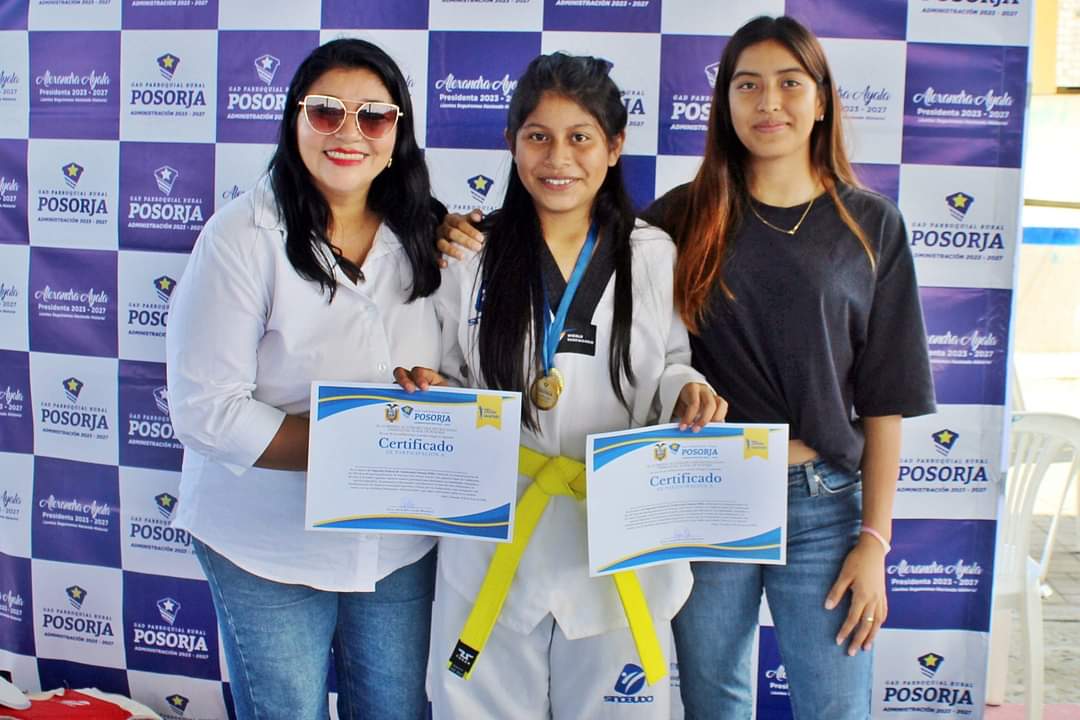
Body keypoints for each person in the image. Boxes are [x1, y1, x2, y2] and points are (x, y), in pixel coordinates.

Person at [437, 16, 936, 720]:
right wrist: (454, 230)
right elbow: (650, 334)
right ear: (724, 102)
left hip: (820, 497)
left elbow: (887, 395)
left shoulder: (869, 223)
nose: (768, 103)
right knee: (713, 699)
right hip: (702, 491)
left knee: (833, 703)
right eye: (747, 85)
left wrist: (876, 540)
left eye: (790, 84)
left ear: (822, 99)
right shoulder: (680, 220)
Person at [396, 53, 725, 719]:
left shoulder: (651, 253)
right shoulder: (469, 252)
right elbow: (450, 370)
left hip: (612, 526)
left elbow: (669, 361)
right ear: (511, 142)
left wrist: (688, 389)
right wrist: (432, 387)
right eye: (538, 136)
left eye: (580, 137)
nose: (558, 157)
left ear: (614, 147)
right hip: (496, 521)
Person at [166, 39, 442, 720]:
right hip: (266, 543)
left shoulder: (428, 233)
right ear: (294, 121)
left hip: (396, 542)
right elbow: (207, 412)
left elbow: (459, 364)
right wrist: (356, 449)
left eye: (373, 116)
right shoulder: (241, 237)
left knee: (396, 710)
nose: (349, 133)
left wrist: (435, 394)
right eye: (326, 112)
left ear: (397, 134)